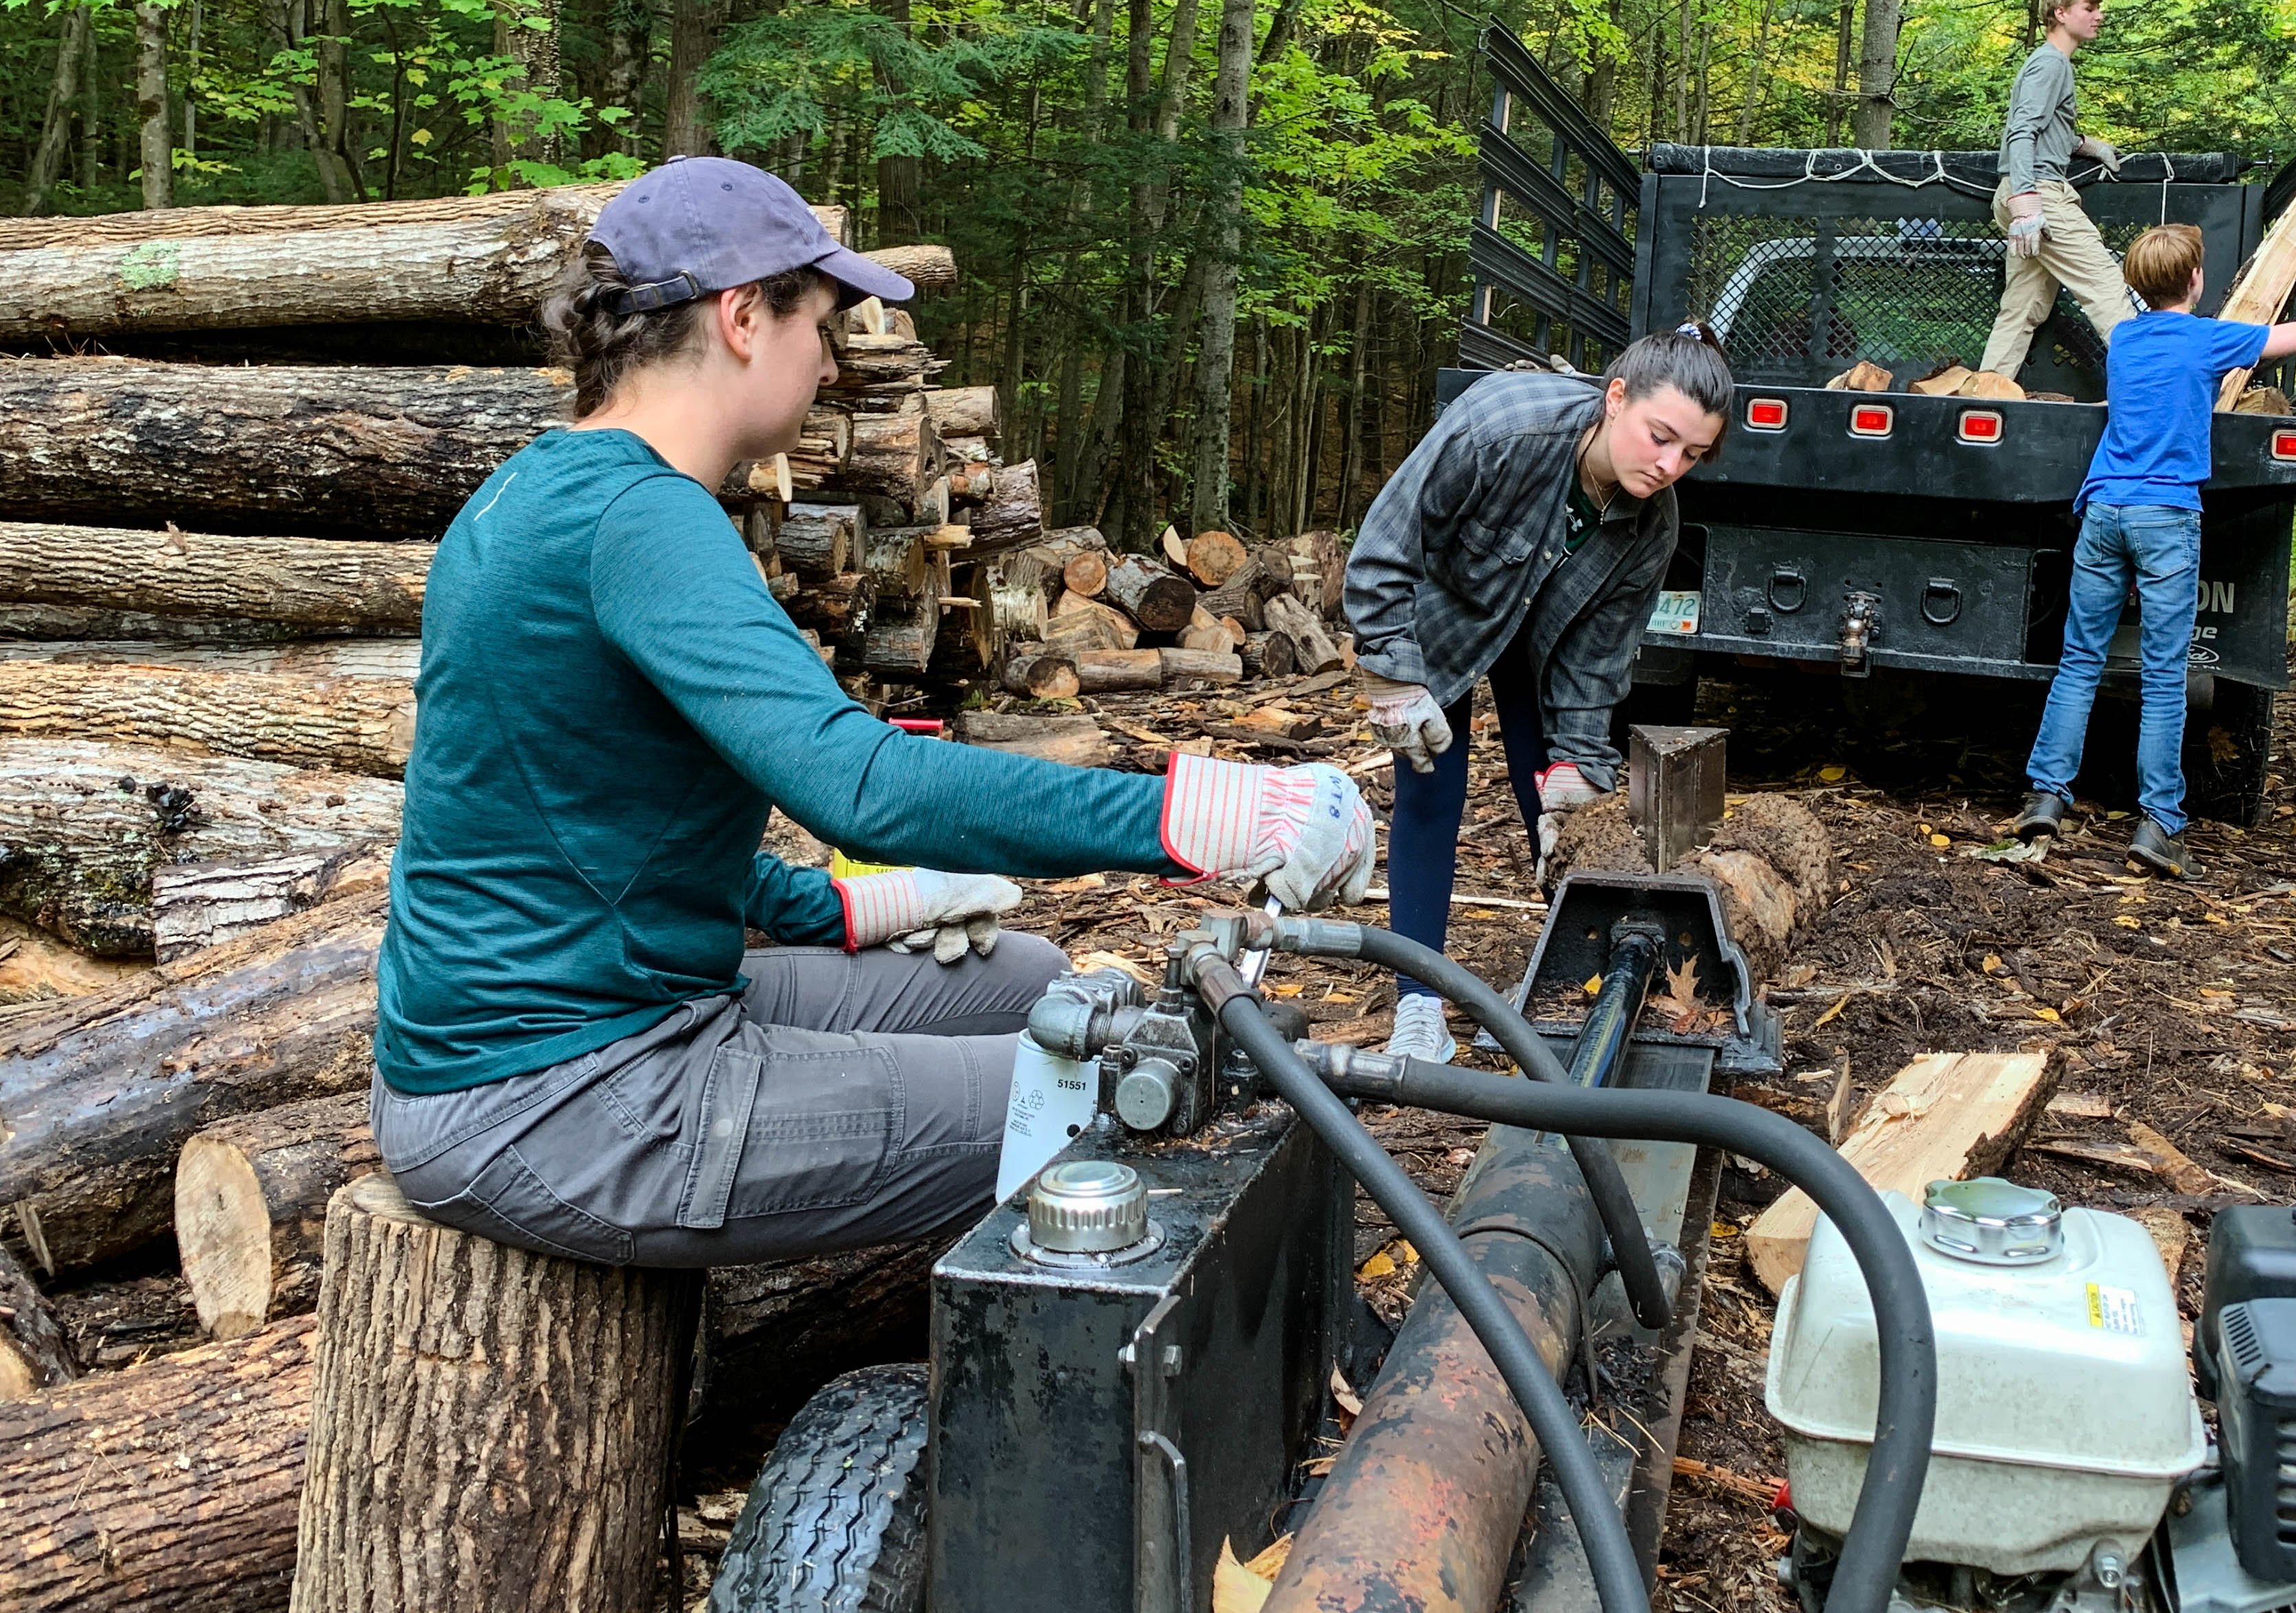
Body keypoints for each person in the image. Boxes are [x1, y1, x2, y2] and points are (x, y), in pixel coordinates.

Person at [370, 157, 1372, 1267]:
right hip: (560, 1093)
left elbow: (588, 814)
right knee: (1108, 1078)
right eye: (822, 324)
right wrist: (1214, 813)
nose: (833, 357)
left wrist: (849, 911)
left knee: (1032, 980)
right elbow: (865, 785)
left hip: (595, 1015)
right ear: (743, 314)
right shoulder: (639, 520)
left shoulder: (536, 490)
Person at [1344, 324, 1732, 1061]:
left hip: (1542, 643)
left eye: (1693, 454)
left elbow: (1600, 659)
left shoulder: (1654, 525)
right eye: (1660, 437)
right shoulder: (1503, 426)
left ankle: (1592, 979)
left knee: (1557, 808)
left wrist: (1578, 768)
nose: (1670, 464)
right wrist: (1392, 674)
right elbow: (1386, 544)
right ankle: (1417, 1004)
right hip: (1444, 618)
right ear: (1617, 398)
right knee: (1430, 790)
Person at [2012, 216, 2296, 878]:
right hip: (2165, 518)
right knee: (2161, 674)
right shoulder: (2209, 341)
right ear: (2196, 279)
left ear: (2138, 285)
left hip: (2103, 512)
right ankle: (2159, 825)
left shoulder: (2123, 340)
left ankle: (2046, 798)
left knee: (2080, 661)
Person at [1980, 0, 2135, 383]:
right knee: (2105, 286)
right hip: (2038, 196)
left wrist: (2086, 145)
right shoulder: (2050, 63)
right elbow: (2021, 130)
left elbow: (2047, 131)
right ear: (2061, 13)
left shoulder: (2052, 63)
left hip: (2025, 191)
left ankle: (1984, 395)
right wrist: (2028, 200)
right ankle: (2150, 388)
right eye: (2090, 8)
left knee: (2022, 306)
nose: (2099, 16)